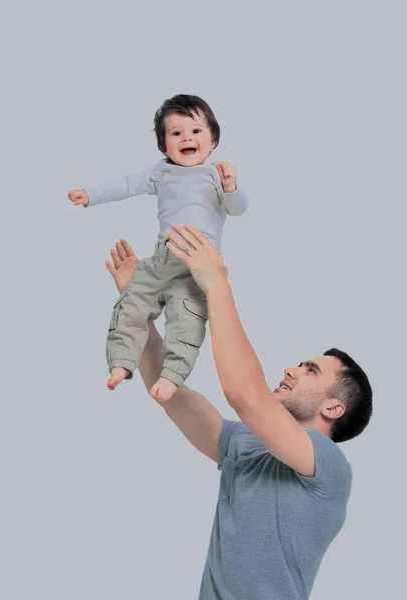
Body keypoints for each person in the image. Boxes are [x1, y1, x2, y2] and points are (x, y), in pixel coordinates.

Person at [105, 227, 373, 600]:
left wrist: (217, 285)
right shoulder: (245, 444)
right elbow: (169, 396)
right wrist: (139, 311)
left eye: (311, 370)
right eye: (300, 363)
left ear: (333, 407)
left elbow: (245, 395)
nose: (292, 370)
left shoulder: (330, 466)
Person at [67, 94, 248, 401]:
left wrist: (231, 186)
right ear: (165, 146)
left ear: (213, 140)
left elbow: (237, 208)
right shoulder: (161, 173)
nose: (186, 137)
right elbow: (124, 184)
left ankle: (172, 375)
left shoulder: (215, 175)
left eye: (196, 131)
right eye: (176, 133)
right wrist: (89, 194)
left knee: (186, 318)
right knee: (130, 304)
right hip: (161, 258)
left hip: (197, 265)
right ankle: (121, 363)